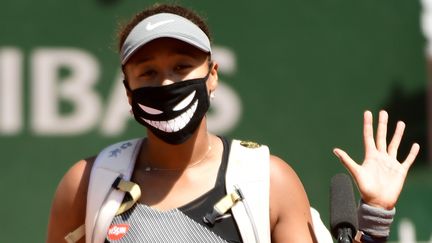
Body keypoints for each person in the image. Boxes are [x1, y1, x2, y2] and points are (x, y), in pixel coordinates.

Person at [46, 3, 420, 243]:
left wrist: (373, 220)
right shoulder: (85, 186)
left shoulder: (267, 181)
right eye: (148, 73)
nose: (166, 84)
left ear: (212, 75)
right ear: (128, 92)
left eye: (181, 67)